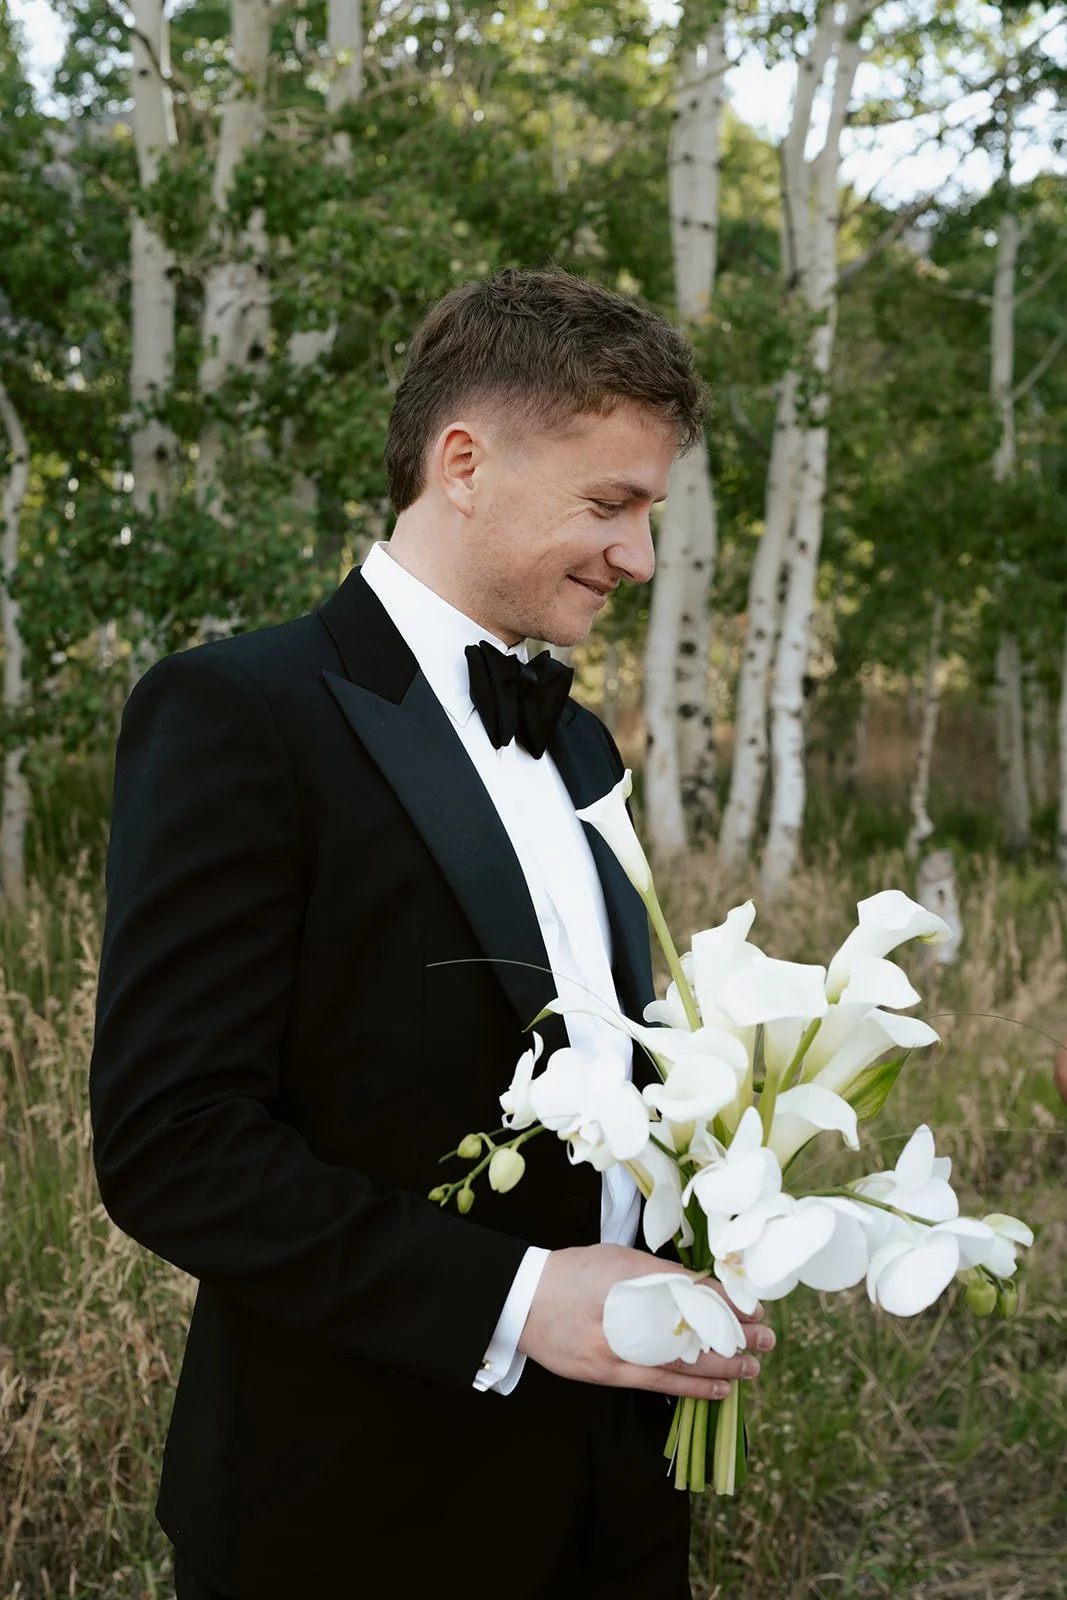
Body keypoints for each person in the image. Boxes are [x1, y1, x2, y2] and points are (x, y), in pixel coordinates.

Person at [90, 268, 775, 1600]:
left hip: (617, 1491)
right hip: (357, 1510)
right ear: (462, 462)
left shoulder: (577, 738)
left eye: (648, 513)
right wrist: (517, 1304)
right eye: (609, 504)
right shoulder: (239, 711)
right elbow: (174, 1146)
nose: (636, 557)